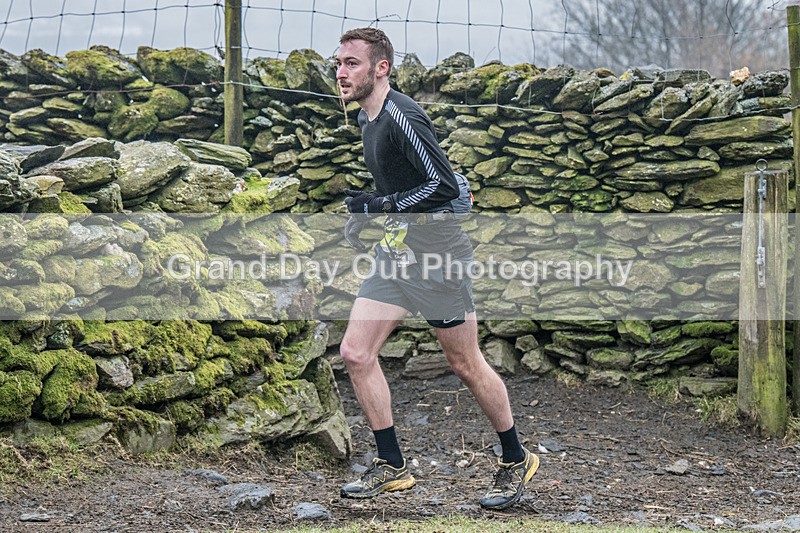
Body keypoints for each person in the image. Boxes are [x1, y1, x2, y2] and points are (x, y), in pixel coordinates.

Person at [334, 27, 539, 510]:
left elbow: (443, 187)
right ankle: (392, 466)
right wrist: (370, 217)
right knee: (355, 353)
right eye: (339, 63)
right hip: (397, 255)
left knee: (465, 364)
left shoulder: (402, 116)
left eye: (352, 64)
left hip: (438, 259)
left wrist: (378, 204)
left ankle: (515, 458)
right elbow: (406, 190)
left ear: (381, 68)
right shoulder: (367, 119)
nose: (342, 73)